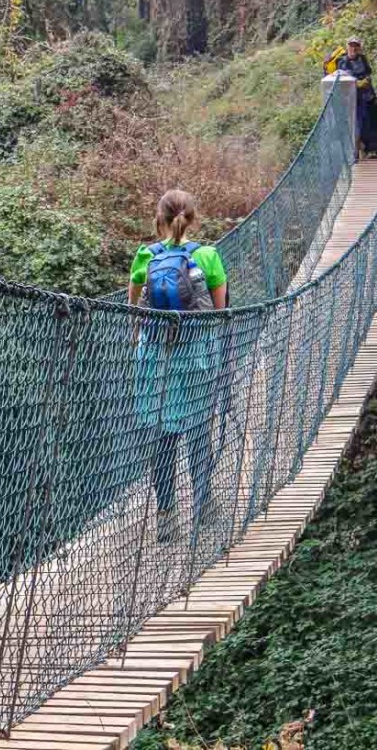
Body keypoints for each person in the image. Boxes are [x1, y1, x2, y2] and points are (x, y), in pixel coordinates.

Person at [129, 190, 227, 543]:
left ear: (158, 219)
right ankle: (203, 504)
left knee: (162, 434)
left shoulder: (145, 256)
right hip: (198, 356)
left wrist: (139, 342)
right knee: (199, 429)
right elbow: (220, 312)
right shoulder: (208, 256)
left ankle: (166, 515)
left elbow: (134, 314)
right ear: (194, 218)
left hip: (156, 358)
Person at [337, 38, 377, 159]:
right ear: (347, 47)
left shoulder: (363, 58)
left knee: (373, 122)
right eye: (351, 46)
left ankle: (373, 149)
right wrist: (358, 83)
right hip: (353, 100)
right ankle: (358, 151)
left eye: (356, 46)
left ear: (359, 47)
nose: (354, 48)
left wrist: (366, 80)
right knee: (358, 124)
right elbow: (344, 78)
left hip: (368, 96)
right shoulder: (342, 61)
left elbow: (368, 72)